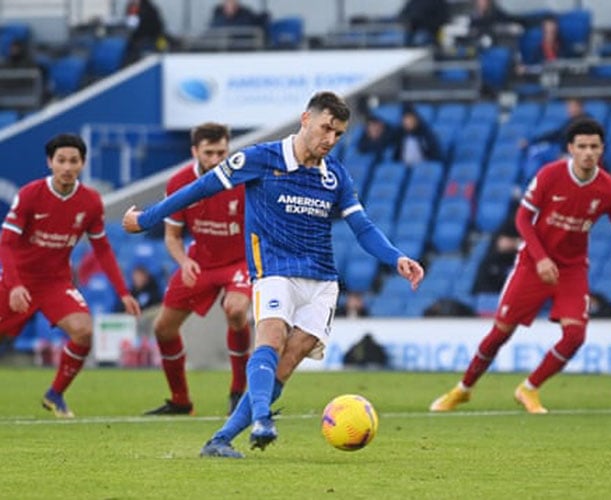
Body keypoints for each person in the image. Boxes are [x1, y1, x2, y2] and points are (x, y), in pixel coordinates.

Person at [122, 91, 424, 457]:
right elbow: (199, 188)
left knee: (290, 359)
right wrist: (146, 219)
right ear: (305, 119)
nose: (330, 139)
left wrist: (396, 258)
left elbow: (362, 227)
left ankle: (220, 440)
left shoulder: (335, 177)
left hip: (323, 281)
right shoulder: (259, 159)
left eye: (339, 134)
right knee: (272, 334)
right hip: (274, 269)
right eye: (326, 128)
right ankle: (263, 418)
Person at [430, 118, 611, 414]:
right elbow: (522, 219)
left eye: (594, 147)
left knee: (575, 336)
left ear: (602, 149)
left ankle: (529, 388)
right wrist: (540, 257)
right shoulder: (550, 175)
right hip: (533, 263)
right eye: (582, 146)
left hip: (572, 268)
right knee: (500, 333)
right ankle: (462, 389)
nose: (588, 153)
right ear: (570, 148)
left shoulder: (608, 188)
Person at [0, 134, 141, 418]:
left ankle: (55, 395)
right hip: (17, 280)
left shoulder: (90, 201)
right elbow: (6, 242)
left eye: (73, 161)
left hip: (55, 283)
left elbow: (102, 249)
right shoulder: (30, 194)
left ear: (83, 163)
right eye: (61, 160)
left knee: (84, 331)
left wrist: (123, 292)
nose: (67, 167)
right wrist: (14, 285)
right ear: (50, 162)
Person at [140, 122, 252, 417]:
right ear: (195, 151)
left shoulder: (241, 180)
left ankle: (239, 390)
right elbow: (172, 236)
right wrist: (184, 262)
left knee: (237, 311)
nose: (216, 160)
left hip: (239, 262)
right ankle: (180, 401)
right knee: (163, 328)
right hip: (199, 263)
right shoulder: (179, 182)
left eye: (222, 152)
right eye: (209, 153)